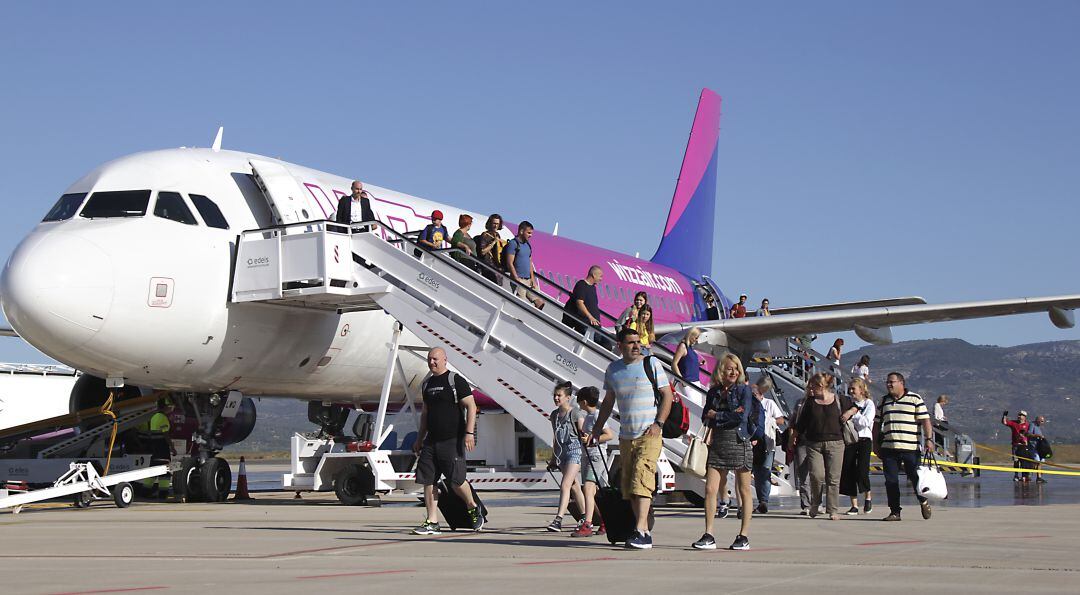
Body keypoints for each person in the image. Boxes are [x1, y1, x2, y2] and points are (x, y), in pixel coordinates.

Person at [588, 327, 674, 550]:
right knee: (629, 487)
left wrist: (659, 424)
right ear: (620, 346)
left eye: (638, 342)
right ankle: (642, 530)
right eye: (631, 343)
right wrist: (597, 429)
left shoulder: (651, 364)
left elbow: (668, 395)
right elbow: (608, 401)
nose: (636, 346)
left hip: (649, 434)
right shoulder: (613, 370)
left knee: (641, 480)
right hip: (627, 436)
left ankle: (640, 531)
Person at [410, 347, 484, 534]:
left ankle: (473, 507)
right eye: (429, 359)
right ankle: (432, 521)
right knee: (428, 480)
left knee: (456, 481)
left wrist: (469, 433)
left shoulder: (455, 380)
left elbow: (471, 407)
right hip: (431, 441)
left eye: (435, 359)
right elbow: (425, 414)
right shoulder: (426, 384)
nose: (432, 362)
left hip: (452, 439)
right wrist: (419, 438)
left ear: (444, 360)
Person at [692, 353, 754, 551]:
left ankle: (743, 535)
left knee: (744, 489)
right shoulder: (713, 392)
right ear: (721, 370)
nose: (734, 372)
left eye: (736, 368)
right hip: (718, 443)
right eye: (730, 368)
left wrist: (717, 415)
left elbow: (741, 417)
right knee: (710, 489)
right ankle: (708, 534)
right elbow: (705, 416)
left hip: (739, 440)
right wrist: (724, 416)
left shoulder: (744, 391)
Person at [792, 373, 856, 520]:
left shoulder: (840, 400)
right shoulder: (810, 402)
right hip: (814, 443)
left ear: (821, 386)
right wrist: (793, 438)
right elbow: (800, 423)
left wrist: (849, 413)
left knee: (833, 478)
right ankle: (815, 503)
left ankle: (833, 509)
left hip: (836, 443)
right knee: (816, 475)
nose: (810, 389)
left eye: (813, 385)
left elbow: (855, 407)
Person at [874, 372, 934, 521]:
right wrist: (875, 444)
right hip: (889, 447)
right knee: (891, 481)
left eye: (892, 382)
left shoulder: (915, 399)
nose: (888, 384)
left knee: (915, 478)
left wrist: (929, 439)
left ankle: (923, 500)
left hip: (910, 448)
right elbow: (876, 424)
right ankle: (895, 511)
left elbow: (925, 420)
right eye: (887, 382)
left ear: (901, 383)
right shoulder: (883, 401)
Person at [546, 380, 587, 533]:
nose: (556, 398)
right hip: (562, 454)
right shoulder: (554, 415)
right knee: (575, 487)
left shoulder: (575, 413)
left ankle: (558, 519)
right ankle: (585, 516)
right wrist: (553, 458)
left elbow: (583, 433)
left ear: (568, 397)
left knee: (565, 485)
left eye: (559, 396)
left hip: (574, 452)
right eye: (555, 395)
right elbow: (555, 438)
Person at [574, 386, 613, 537]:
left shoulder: (597, 415)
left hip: (596, 456)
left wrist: (591, 439)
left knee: (588, 490)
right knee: (593, 492)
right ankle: (604, 521)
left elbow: (609, 435)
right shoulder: (590, 416)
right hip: (589, 455)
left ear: (584, 402)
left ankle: (588, 523)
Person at [750, 376, 786, 514]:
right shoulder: (748, 404)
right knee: (756, 472)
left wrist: (769, 420)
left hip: (767, 441)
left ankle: (763, 501)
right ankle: (760, 500)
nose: (755, 396)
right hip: (752, 441)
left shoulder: (769, 404)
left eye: (756, 394)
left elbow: (781, 420)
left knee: (765, 470)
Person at [840, 378, 875, 514]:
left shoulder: (868, 404)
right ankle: (854, 504)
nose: (851, 391)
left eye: (853, 388)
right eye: (850, 389)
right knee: (848, 470)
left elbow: (865, 422)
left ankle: (868, 497)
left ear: (861, 389)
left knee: (862, 470)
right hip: (850, 439)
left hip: (864, 440)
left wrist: (853, 413)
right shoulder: (848, 403)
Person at [504, 221, 544, 308]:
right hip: (519, 279)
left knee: (540, 302)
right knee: (521, 304)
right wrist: (516, 278)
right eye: (529, 233)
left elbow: (530, 262)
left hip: (528, 279)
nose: (531, 235)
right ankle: (518, 320)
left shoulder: (527, 245)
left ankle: (532, 319)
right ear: (521, 231)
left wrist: (533, 279)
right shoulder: (513, 244)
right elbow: (509, 262)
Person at [562, 265, 603, 335]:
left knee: (606, 343)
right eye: (600, 276)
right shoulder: (581, 285)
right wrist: (590, 317)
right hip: (585, 323)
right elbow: (579, 303)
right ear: (594, 275)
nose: (601, 279)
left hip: (594, 325)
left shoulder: (593, 287)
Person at [671, 327, 703, 401]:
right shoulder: (683, 346)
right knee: (694, 405)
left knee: (699, 405)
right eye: (696, 338)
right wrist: (682, 380)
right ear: (691, 336)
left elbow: (688, 363)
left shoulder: (690, 348)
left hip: (695, 381)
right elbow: (674, 363)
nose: (697, 340)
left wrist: (698, 364)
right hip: (688, 381)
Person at [475, 214, 506, 284]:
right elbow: (482, 252)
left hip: (496, 266)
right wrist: (493, 243)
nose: (496, 226)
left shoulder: (497, 234)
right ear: (490, 223)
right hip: (487, 266)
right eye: (494, 223)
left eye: (497, 224)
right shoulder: (485, 235)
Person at [1002, 410, 1032, 482]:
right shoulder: (1014, 423)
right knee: (1016, 461)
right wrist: (1004, 416)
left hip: (1024, 446)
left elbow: (1030, 434)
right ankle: (1016, 475)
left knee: (1024, 461)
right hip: (1015, 445)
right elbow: (1005, 422)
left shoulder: (1028, 425)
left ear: (1024, 417)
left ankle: (1024, 476)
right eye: (1019, 415)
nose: (1019, 416)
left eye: (1021, 415)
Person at [1028, 415, 1048, 483]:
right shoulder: (1032, 425)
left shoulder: (1039, 428)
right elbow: (1029, 434)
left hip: (1039, 447)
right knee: (1037, 460)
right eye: (1041, 421)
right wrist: (1038, 436)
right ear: (1038, 420)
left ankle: (1038, 475)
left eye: (1043, 421)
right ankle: (1037, 476)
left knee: (1042, 461)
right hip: (1033, 447)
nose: (1042, 423)